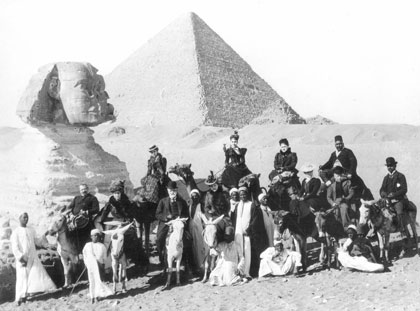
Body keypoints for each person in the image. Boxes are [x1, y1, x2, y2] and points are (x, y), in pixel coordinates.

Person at [11, 213, 56, 306]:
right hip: (22, 258)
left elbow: (38, 241)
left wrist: (45, 234)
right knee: (22, 277)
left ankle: (27, 295)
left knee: (34, 275)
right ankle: (19, 298)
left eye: (27, 217)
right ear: (19, 218)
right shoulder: (15, 232)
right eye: (24, 217)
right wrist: (20, 257)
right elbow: (14, 247)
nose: (26, 219)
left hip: (32, 256)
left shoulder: (31, 230)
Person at [234, 187, 268, 278]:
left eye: (244, 194)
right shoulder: (238, 205)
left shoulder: (251, 205)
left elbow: (254, 219)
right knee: (240, 251)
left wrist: (249, 229)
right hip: (239, 234)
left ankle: (247, 272)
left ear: (247, 194)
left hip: (248, 233)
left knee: (247, 252)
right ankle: (240, 270)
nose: (243, 196)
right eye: (241, 195)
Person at [155, 181, 189, 266]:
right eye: (170, 190)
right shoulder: (163, 201)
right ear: (167, 190)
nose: (172, 192)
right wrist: (166, 217)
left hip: (178, 222)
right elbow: (157, 214)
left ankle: (186, 261)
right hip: (167, 223)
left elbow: (186, 213)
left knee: (188, 238)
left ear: (177, 190)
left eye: (174, 190)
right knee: (159, 239)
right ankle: (162, 258)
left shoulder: (182, 201)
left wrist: (181, 219)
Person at [379, 157, 409, 238]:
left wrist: (394, 194)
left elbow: (404, 189)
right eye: (388, 166)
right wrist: (383, 193)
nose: (389, 167)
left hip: (398, 199)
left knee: (399, 212)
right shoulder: (386, 178)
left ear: (395, 166)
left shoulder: (400, 176)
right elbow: (382, 188)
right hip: (388, 200)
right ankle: (378, 230)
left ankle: (402, 230)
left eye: (391, 165)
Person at [82, 229, 112, 303]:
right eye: (94, 236)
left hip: (99, 266)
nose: (96, 237)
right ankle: (92, 296)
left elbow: (104, 258)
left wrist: (102, 265)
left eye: (97, 236)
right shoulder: (87, 245)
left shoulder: (102, 246)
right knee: (91, 281)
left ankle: (97, 296)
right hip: (90, 266)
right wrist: (87, 264)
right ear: (91, 236)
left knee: (98, 280)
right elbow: (84, 256)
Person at [188, 189, 207, 273]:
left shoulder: (201, 206)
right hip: (191, 229)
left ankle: (203, 267)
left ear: (199, 197)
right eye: (193, 196)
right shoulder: (189, 206)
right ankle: (196, 267)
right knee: (193, 248)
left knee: (200, 247)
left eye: (196, 196)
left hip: (200, 230)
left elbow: (204, 218)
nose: (194, 198)